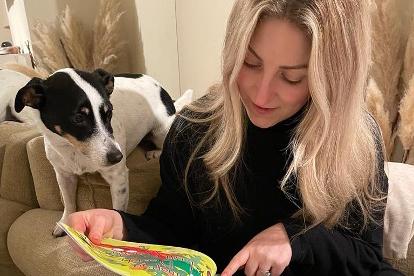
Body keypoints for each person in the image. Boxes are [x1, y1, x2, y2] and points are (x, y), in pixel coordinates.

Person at [68, 0, 403, 275]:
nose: (261, 94)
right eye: (250, 62)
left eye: (292, 78)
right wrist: (120, 227)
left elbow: (366, 256)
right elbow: (172, 232)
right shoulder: (194, 131)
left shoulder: (355, 140)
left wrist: (294, 240)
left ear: (330, 81)